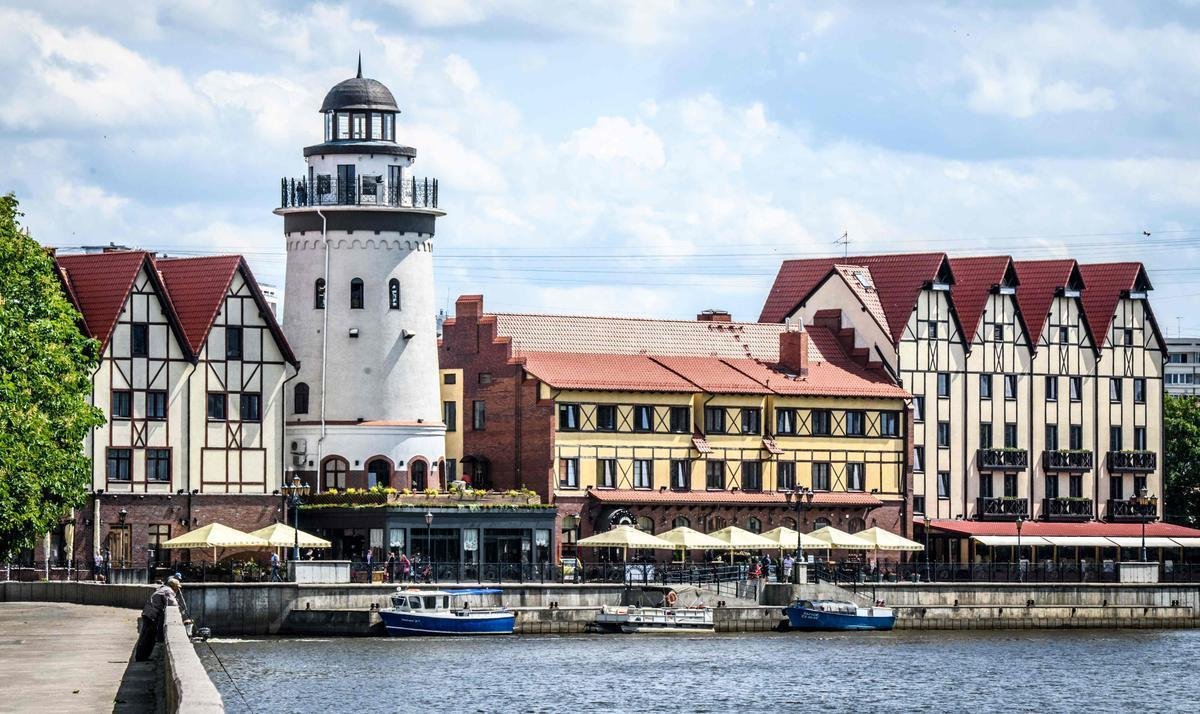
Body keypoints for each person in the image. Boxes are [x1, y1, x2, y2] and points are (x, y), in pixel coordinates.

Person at [135, 579, 177, 661]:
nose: (178, 589)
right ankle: (141, 657)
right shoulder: (168, 590)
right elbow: (172, 603)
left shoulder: (163, 588)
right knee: (148, 637)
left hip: (147, 613)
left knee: (146, 636)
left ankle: (141, 657)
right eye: (177, 587)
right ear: (173, 586)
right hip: (152, 615)